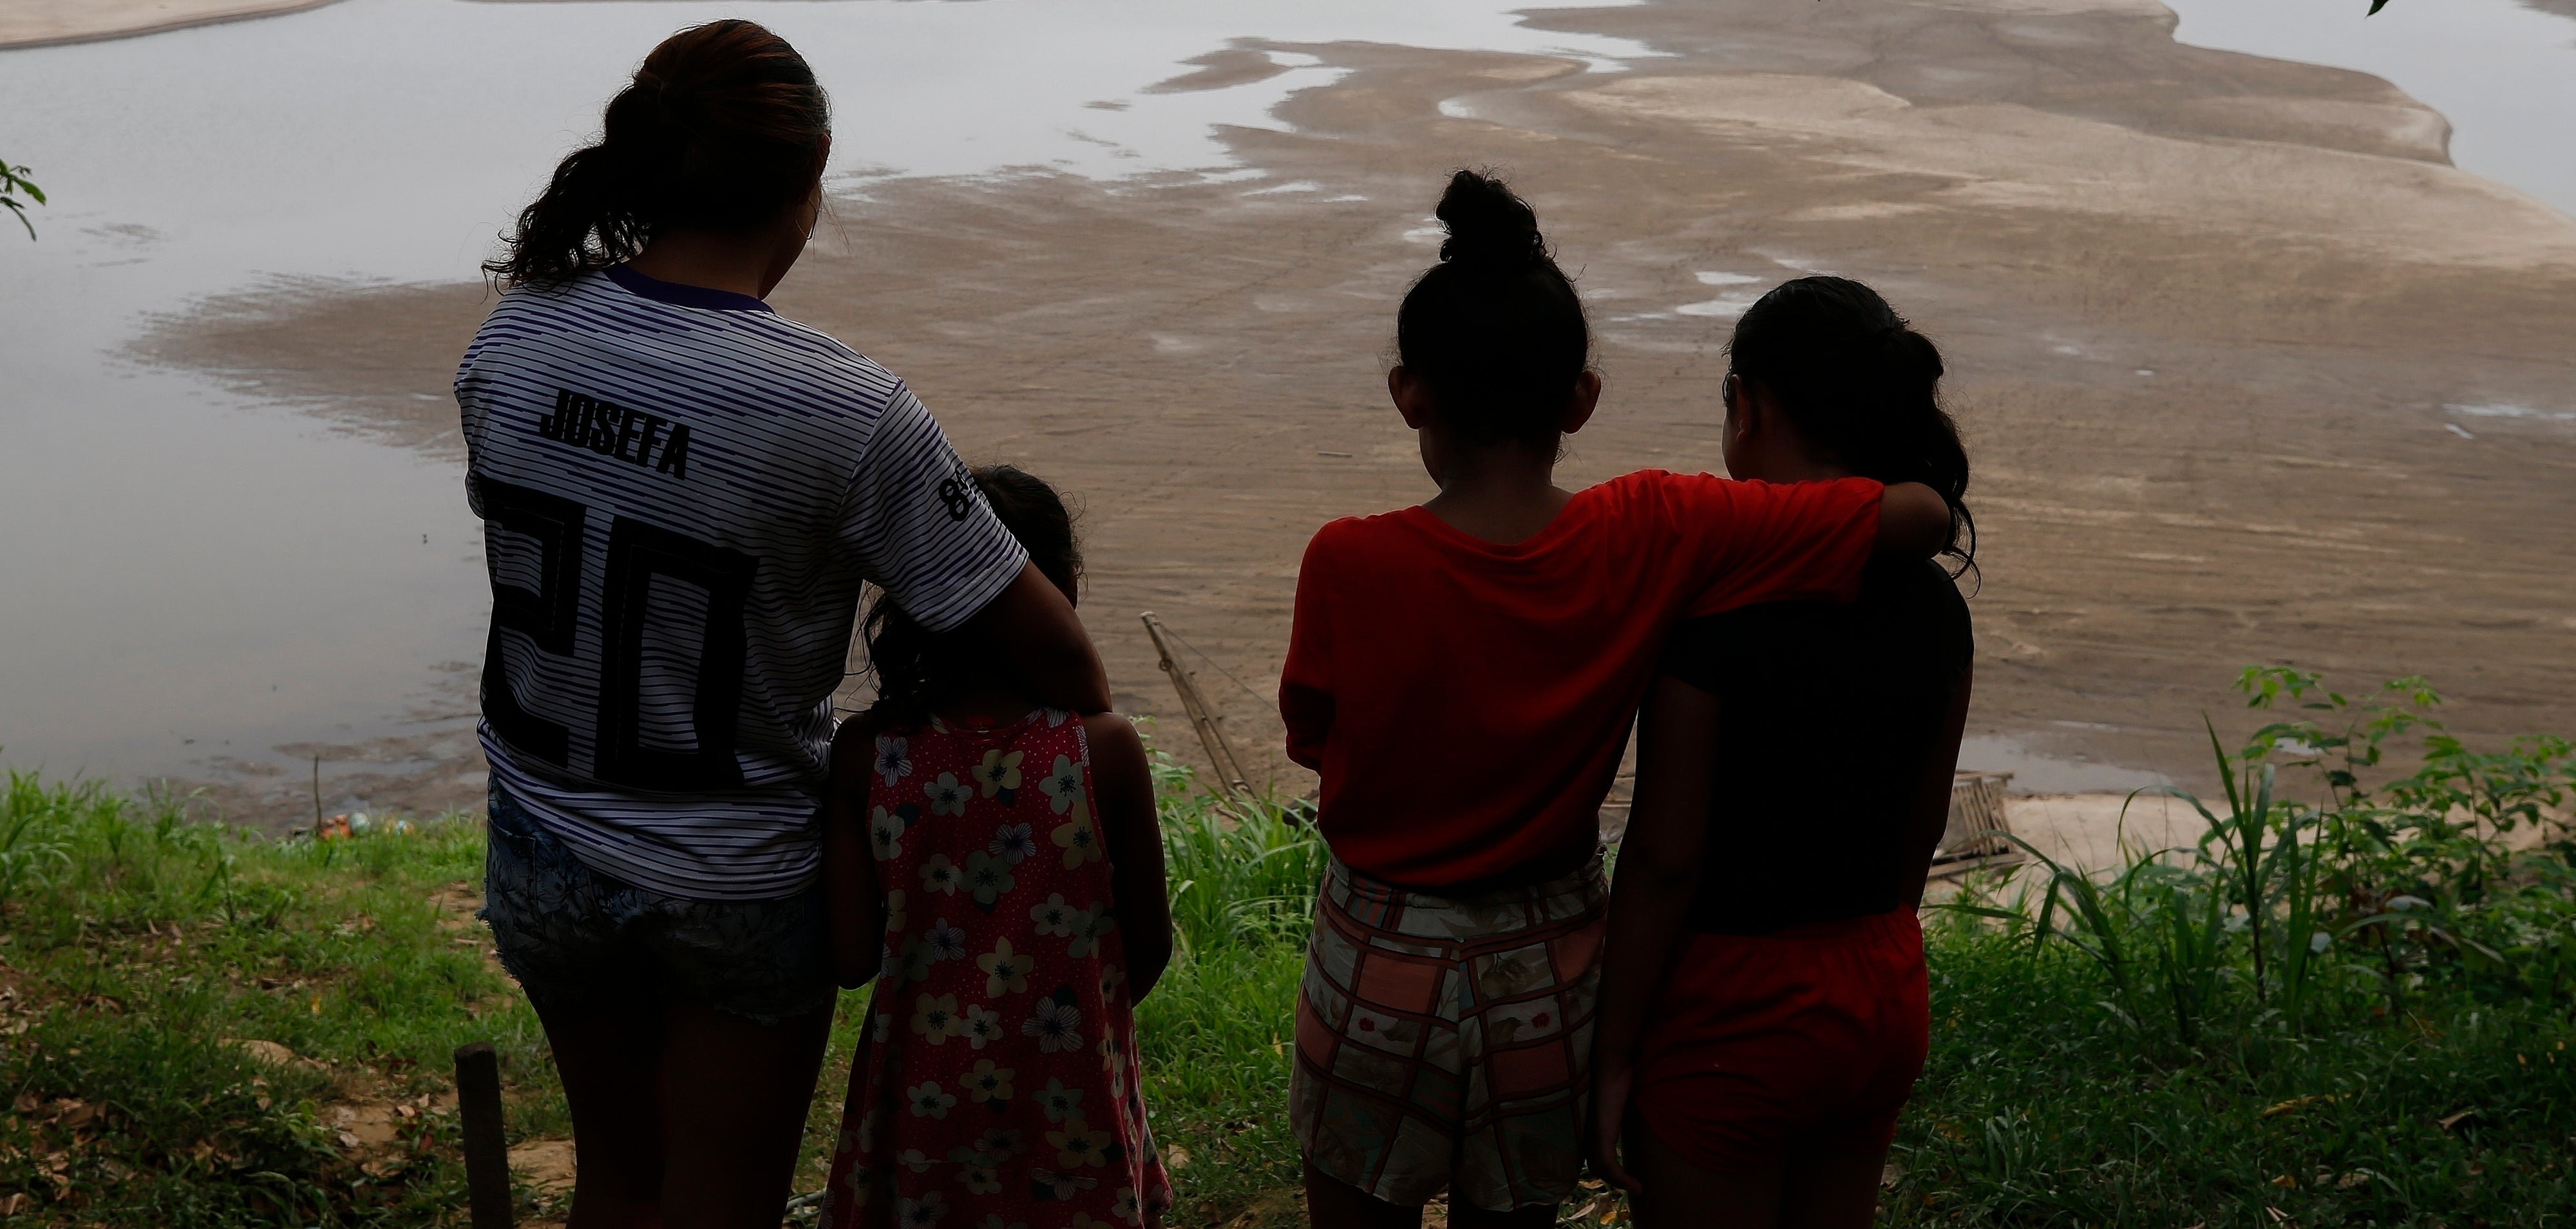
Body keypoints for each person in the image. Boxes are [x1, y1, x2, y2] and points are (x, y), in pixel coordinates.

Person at [457, 19, 1112, 1229]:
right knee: (721, 1199)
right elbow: (1063, 656)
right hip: (735, 877)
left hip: (544, 841)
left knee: (615, 1173)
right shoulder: (844, 409)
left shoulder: (514, 336)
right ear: (809, 186)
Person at [1277, 171, 1956, 1229]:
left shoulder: (1347, 561)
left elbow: (1319, 740)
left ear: (1410, 394)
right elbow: (1914, 513)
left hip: (1380, 953)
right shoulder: (1651, 528)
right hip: (1547, 967)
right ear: (1580, 400)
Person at [1588, 276, 1976, 1229]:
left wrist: (1611, 1050)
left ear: (1749, 405)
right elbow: (1923, 824)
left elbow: (1669, 857)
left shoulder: (1716, 612)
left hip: (1733, 1004)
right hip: (1881, 979)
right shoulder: (1937, 604)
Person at [816, 464, 1174, 1229]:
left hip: (920, 1102)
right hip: (1068, 1089)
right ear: (1063, 590)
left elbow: (849, 957)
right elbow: (1147, 943)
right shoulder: (1101, 749)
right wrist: (1075, 1021)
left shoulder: (866, 754)